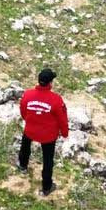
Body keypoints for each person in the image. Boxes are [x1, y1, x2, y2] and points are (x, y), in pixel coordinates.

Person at [17, 68, 68, 196]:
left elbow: (23, 111)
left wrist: (29, 121)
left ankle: (22, 166)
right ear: (50, 83)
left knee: (25, 147)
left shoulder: (27, 94)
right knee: (48, 160)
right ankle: (46, 187)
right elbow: (62, 119)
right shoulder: (56, 99)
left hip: (30, 129)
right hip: (48, 135)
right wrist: (64, 133)